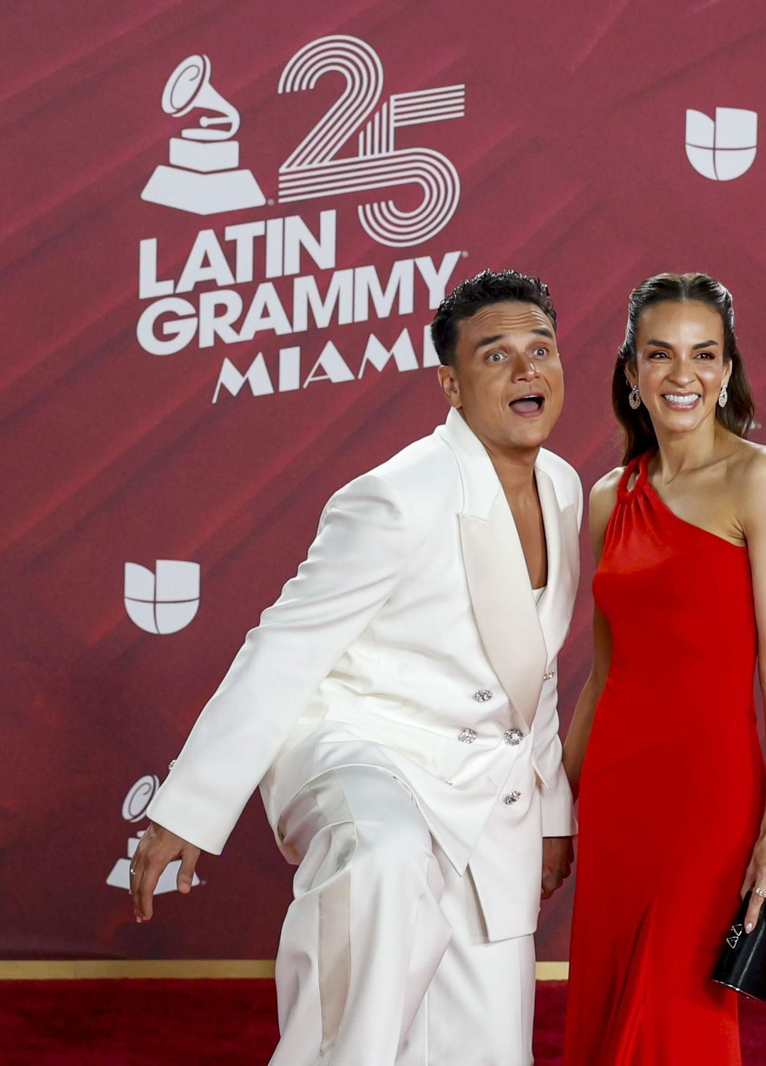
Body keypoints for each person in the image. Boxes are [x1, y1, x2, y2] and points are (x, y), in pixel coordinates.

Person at [130, 270, 582, 1065]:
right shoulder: (396, 497)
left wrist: (550, 815)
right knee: (383, 857)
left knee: (487, 1047)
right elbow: (286, 646)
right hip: (363, 747)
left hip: (484, 784)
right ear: (450, 383)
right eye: (496, 355)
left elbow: (532, 673)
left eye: (539, 348)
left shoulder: (563, 487)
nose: (526, 370)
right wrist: (189, 808)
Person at [561, 272, 766, 1063]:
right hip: (613, 792)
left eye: (704, 355)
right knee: (608, 1001)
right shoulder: (607, 498)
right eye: (659, 354)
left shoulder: (760, 479)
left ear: (728, 371)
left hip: (709, 793)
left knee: (679, 1013)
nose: (683, 375)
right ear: (630, 372)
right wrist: (551, 815)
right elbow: (601, 677)